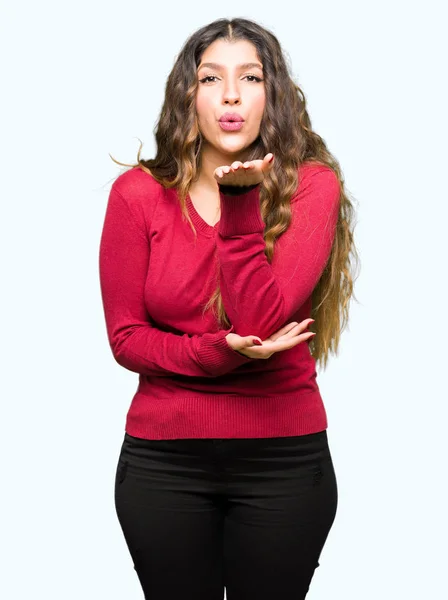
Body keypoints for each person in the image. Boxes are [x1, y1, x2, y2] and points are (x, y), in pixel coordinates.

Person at [99, 16, 359, 600]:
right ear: (187, 94)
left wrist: (240, 201)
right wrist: (219, 353)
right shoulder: (137, 196)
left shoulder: (311, 186)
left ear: (274, 94)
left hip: (283, 464)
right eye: (211, 78)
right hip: (163, 465)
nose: (232, 95)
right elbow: (126, 339)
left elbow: (260, 322)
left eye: (251, 77)